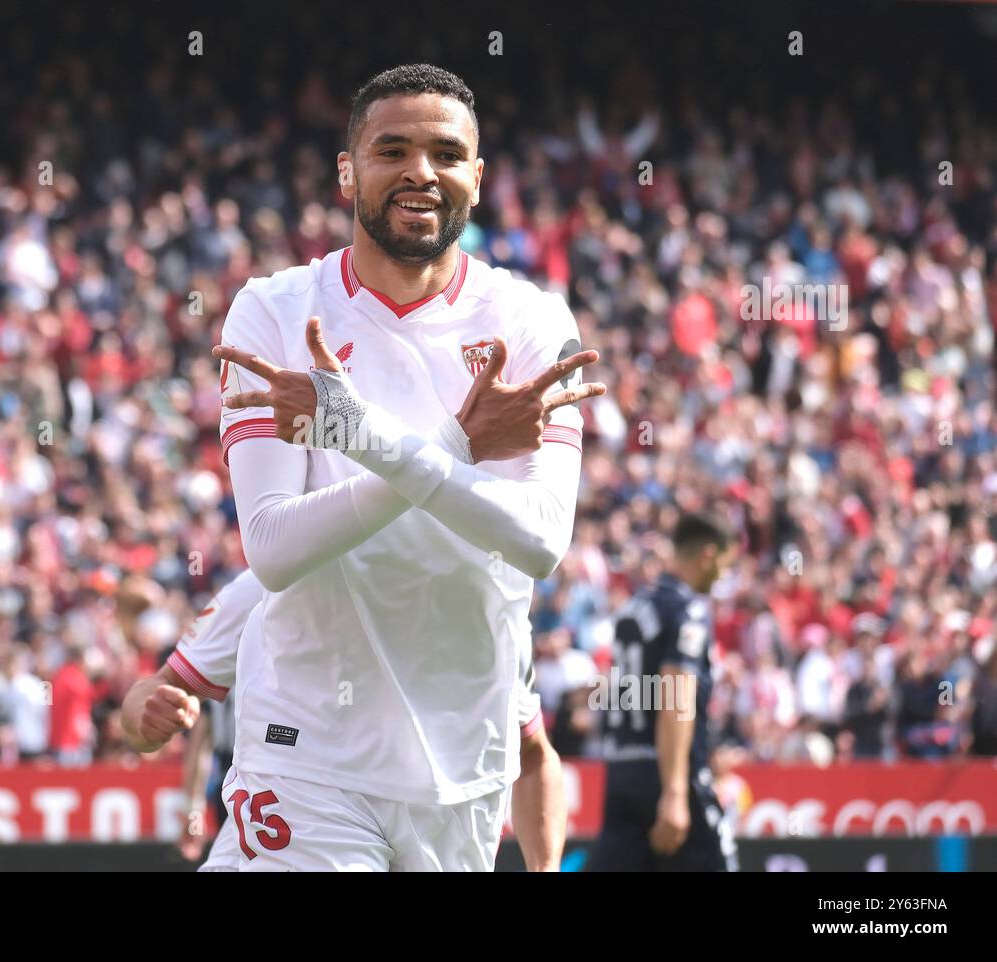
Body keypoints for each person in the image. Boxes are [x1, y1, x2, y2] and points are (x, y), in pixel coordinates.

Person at [206, 63, 603, 871]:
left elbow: (539, 540)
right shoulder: (275, 311)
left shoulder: (530, 321)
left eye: (446, 154)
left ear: (478, 180)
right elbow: (275, 548)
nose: (421, 170)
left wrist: (358, 432)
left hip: (463, 757)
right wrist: (457, 450)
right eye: (392, 150)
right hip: (306, 741)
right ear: (348, 170)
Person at [123, 569, 568, 871]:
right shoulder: (276, 573)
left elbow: (534, 754)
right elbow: (147, 702)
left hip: (443, 829)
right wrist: (149, 715)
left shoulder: (488, 604)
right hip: (305, 806)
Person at [587, 512, 739, 872]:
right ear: (707, 555)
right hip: (669, 772)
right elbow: (676, 696)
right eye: (724, 564)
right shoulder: (688, 611)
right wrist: (674, 793)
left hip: (623, 772)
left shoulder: (634, 606)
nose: (723, 576)